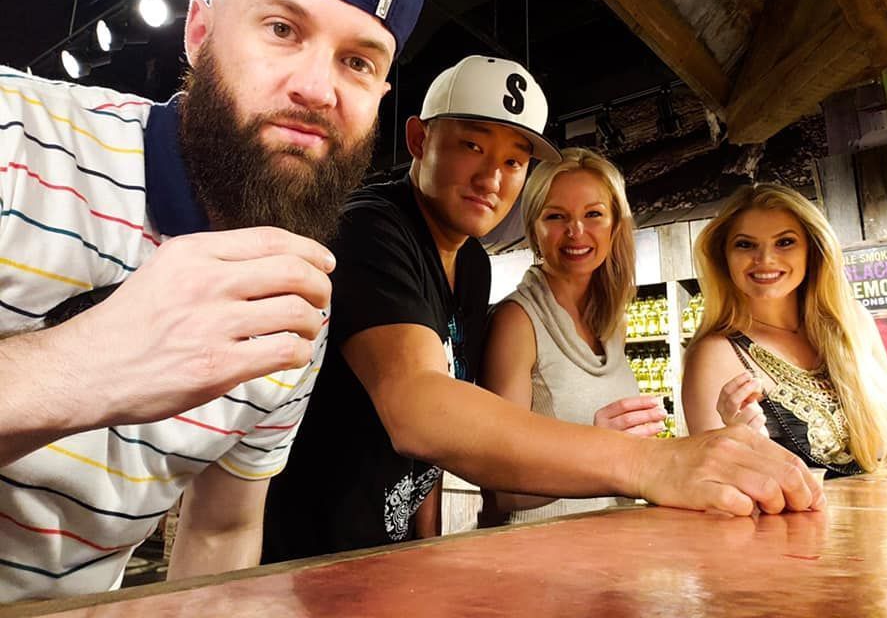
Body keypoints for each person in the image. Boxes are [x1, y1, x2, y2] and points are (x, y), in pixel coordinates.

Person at [0, 0, 434, 602]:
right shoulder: (15, 138)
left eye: (358, 61)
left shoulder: (296, 302)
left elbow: (221, 533)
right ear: (200, 31)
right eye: (281, 27)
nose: (318, 89)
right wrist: (81, 361)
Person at [261, 56, 825, 563]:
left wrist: (423, 554)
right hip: (310, 560)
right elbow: (418, 408)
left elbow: (431, 451)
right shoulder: (371, 227)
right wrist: (652, 463)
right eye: (473, 145)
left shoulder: (472, 262)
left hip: (388, 558)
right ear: (417, 139)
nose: (491, 177)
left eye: (514, 159)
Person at [681, 183, 887, 477]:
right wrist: (742, 445)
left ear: (812, 249)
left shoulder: (852, 320)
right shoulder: (713, 354)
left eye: (785, 242)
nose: (765, 259)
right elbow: (712, 479)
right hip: (796, 522)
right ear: (723, 256)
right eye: (745, 244)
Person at [479, 148, 665, 525]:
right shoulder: (516, 322)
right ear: (534, 229)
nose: (576, 231)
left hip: (613, 555)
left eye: (593, 214)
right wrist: (597, 448)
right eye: (556, 216)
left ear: (615, 225)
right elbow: (501, 489)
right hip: (547, 564)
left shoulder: (612, 322)